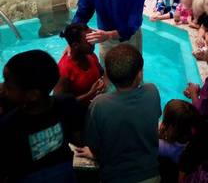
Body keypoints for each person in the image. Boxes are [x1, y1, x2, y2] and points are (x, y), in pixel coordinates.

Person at [76, 44, 162, 183]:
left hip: (113, 177)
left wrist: (92, 153)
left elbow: (94, 145)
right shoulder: (152, 91)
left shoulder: (99, 104)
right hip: (151, 175)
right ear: (139, 74)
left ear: (108, 76)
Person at [0, 50, 85, 183]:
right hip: (65, 170)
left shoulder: (8, 124)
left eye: (8, 85)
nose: (2, 88)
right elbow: (78, 139)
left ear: (33, 95)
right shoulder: (66, 102)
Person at [54, 24, 105, 104]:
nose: (94, 42)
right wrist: (90, 93)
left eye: (92, 38)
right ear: (75, 45)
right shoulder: (64, 70)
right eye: (89, 41)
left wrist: (103, 82)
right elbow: (59, 104)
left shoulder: (90, 55)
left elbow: (102, 73)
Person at [159, 100, 202, 183]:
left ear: (170, 126)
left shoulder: (165, 147)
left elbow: (147, 142)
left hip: (170, 172)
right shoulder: (193, 142)